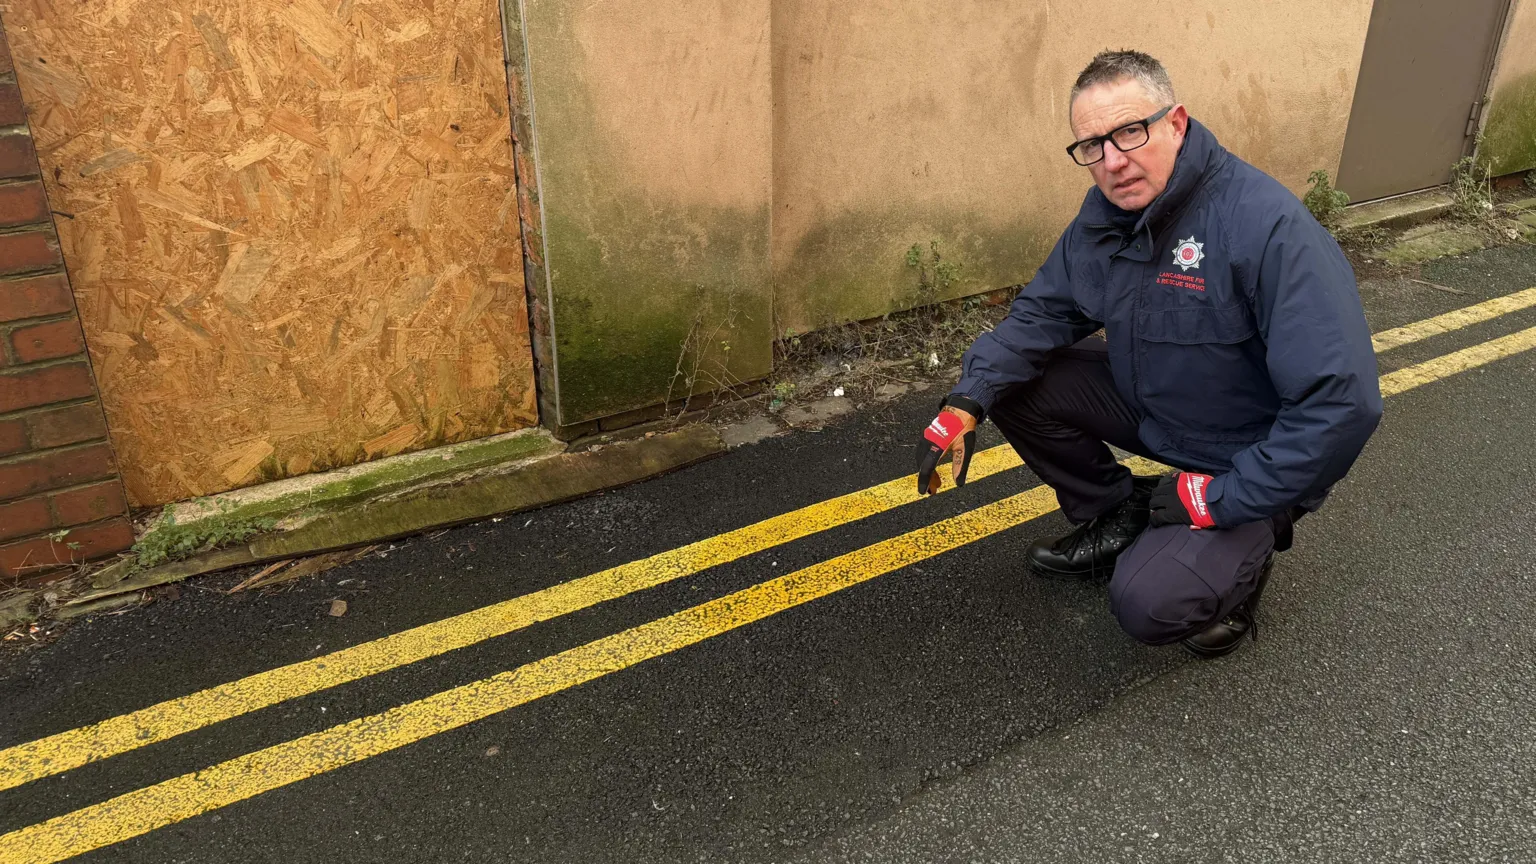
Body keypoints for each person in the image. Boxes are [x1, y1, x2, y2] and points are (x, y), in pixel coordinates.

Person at [915, 50, 1382, 658]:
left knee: (1149, 602)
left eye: (1129, 132)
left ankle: (1246, 557)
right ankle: (1120, 510)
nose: (1112, 161)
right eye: (1092, 146)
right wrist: (967, 399)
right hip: (1158, 408)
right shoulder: (1107, 215)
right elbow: (1044, 312)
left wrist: (1220, 498)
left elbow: (1342, 405)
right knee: (1013, 382)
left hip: (1241, 456)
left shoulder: (1264, 226)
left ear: (1177, 122)